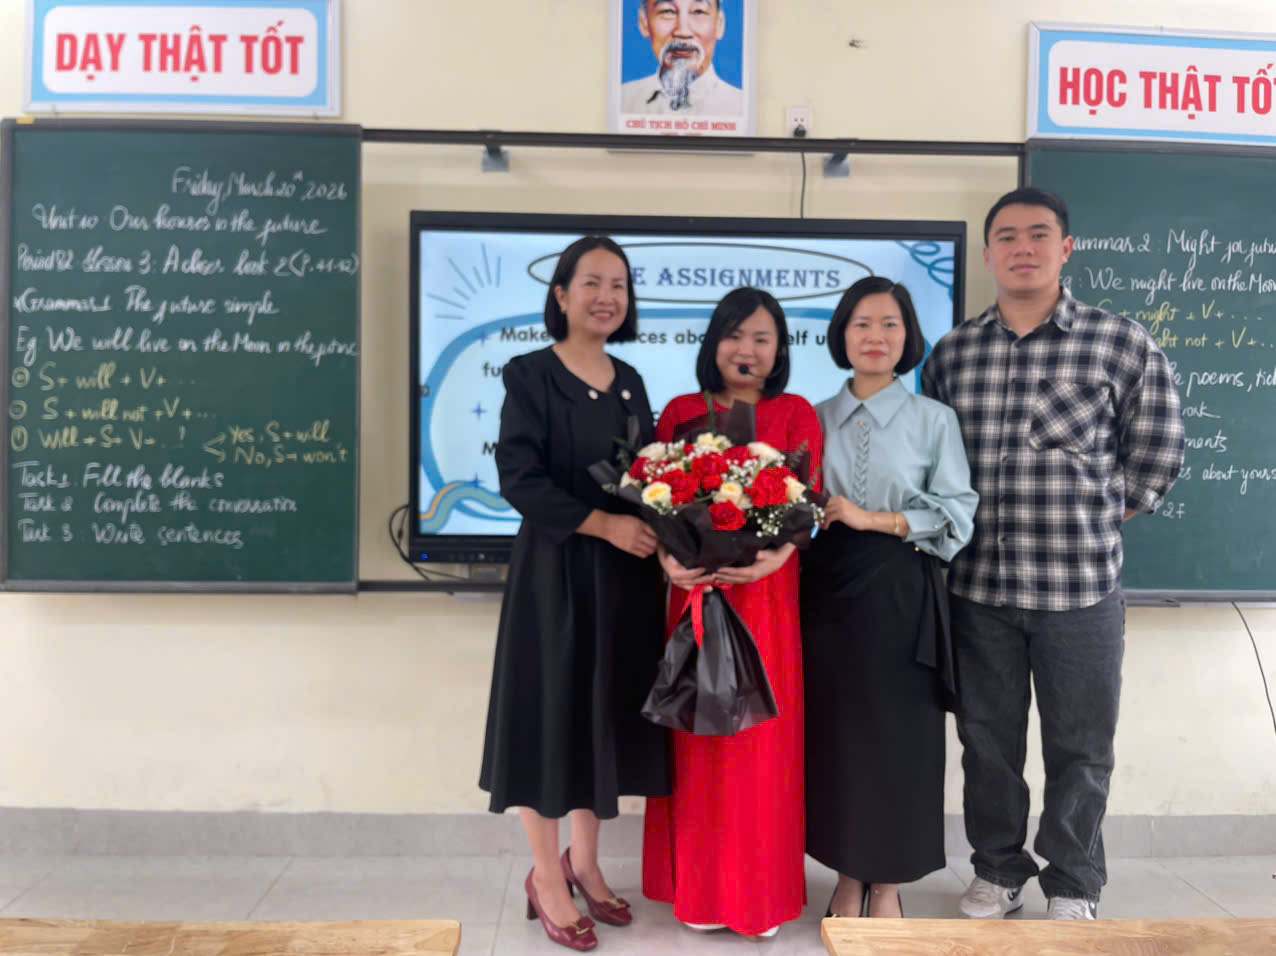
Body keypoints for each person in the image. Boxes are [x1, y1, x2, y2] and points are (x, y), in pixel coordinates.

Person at [922, 188, 1185, 921]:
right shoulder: (953, 354)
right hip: (978, 589)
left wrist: (1095, 517)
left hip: (1081, 593)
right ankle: (998, 870)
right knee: (987, 744)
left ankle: (1073, 883)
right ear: (988, 254)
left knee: (1081, 748)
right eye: (1007, 236)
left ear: (1066, 248)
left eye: (1039, 234)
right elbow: (933, 460)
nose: (1023, 248)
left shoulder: (1119, 343)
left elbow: (1158, 453)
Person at [479, 236, 670, 952]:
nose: (606, 297)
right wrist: (604, 525)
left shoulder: (630, 380)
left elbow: (648, 476)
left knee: (601, 719)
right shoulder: (530, 374)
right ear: (561, 294)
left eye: (618, 284)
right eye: (591, 282)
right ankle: (544, 875)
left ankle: (584, 863)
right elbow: (519, 479)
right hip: (555, 575)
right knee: (550, 718)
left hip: (623, 581)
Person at [642, 286, 821, 939]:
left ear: (779, 350)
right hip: (695, 594)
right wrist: (669, 560)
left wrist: (773, 561)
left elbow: (809, 506)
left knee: (759, 746)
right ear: (714, 343)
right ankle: (701, 893)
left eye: (761, 338)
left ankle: (758, 899)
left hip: (765, 599)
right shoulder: (681, 411)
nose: (747, 349)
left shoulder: (796, 413)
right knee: (698, 744)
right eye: (734, 335)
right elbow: (658, 499)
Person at [802, 277, 977, 920]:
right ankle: (849, 876)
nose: (875, 337)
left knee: (901, 740)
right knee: (839, 737)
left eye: (890, 324)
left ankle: (890, 883)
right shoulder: (813, 417)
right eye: (861, 324)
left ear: (909, 337)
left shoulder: (935, 419)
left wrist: (873, 519)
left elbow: (958, 515)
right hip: (826, 594)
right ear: (841, 335)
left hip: (903, 591)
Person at [620, 0, 744, 116]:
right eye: (667, 11)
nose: (683, 32)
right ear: (644, 23)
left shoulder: (741, 108)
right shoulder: (622, 100)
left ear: (719, 24)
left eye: (698, 11)